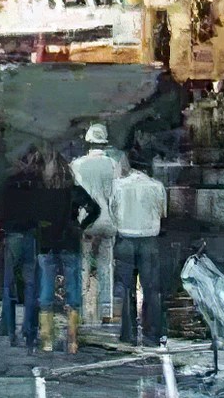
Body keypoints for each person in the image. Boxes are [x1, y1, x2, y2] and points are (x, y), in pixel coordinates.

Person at [32, 146, 100, 354]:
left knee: (45, 292)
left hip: (46, 242)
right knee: (73, 290)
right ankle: (72, 340)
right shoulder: (73, 190)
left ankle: (47, 340)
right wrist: (81, 226)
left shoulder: (39, 190)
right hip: (70, 241)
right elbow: (95, 209)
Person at [71, 123, 123, 325]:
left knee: (83, 265)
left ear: (88, 142)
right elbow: (116, 195)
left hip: (86, 221)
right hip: (108, 220)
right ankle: (106, 311)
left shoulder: (77, 165)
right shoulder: (112, 165)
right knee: (106, 265)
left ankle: (82, 310)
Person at [111, 167, 167, 347]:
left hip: (125, 239)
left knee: (126, 288)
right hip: (149, 240)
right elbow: (162, 213)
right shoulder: (157, 186)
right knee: (151, 289)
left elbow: (113, 210)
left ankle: (129, 333)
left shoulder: (118, 186)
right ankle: (153, 333)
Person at [0, 150, 46, 348]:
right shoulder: (38, 182)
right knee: (30, 285)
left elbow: (0, 208)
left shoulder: (8, 180)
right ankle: (28, 329)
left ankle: (9, 329)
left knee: (9, 284)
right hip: (31, 235)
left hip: (12, 235)